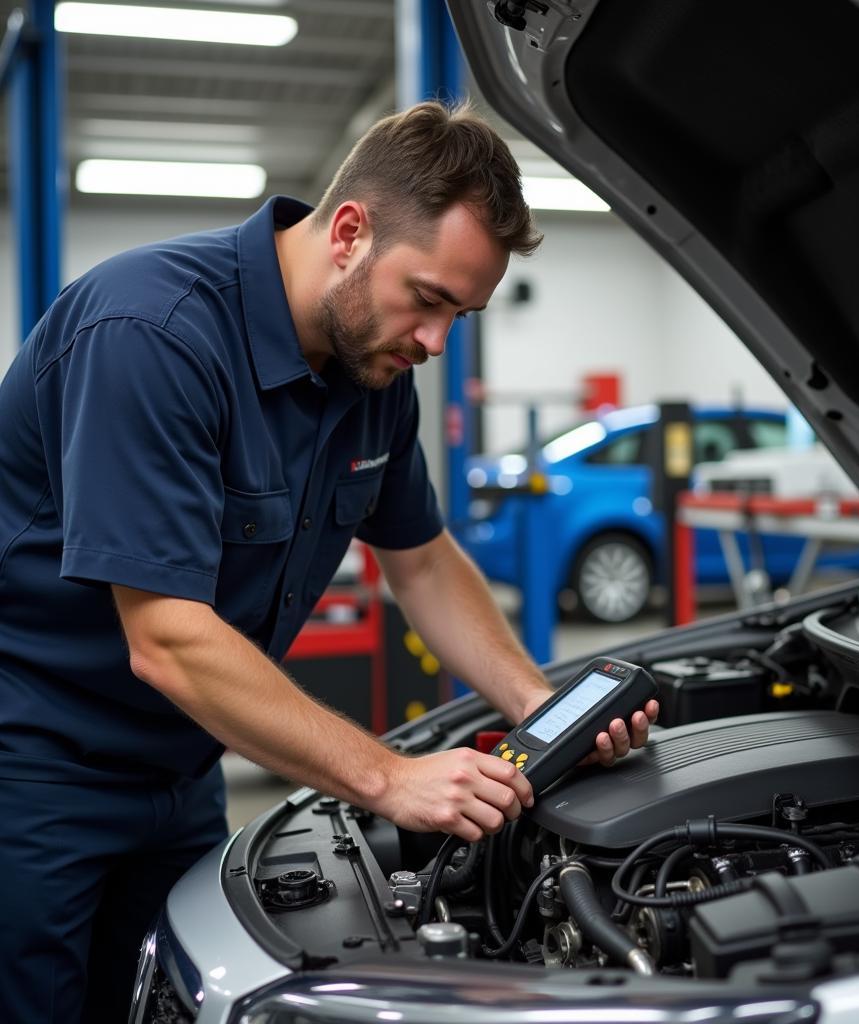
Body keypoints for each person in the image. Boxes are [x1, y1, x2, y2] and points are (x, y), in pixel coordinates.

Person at [0, 101, 658, 1022]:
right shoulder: (152, 335)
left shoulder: (374, 375)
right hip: (31, 769)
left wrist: (539, 708)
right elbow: (169, 639)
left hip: (180, 770)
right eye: (428, 299)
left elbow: (422, 561)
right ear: (349, 231)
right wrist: (390, 777)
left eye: (458, 316)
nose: (434, 342)